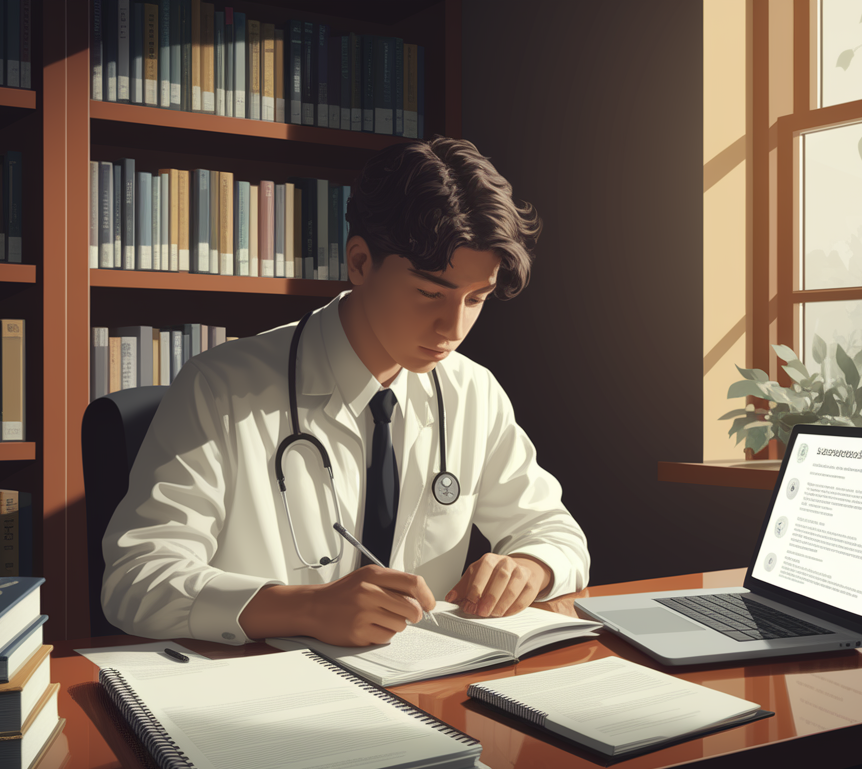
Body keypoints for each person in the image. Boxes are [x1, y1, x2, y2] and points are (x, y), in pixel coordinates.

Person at [101, 136, 590, 649]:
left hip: (423, 683)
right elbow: (137, 580)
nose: (454, 326)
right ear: (359, 263)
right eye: (430, 293)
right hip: (264, 692)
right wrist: (306, 607)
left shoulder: (472, 391)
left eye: (477, 299)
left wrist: (530, 566)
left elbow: (557, 533)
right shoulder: (220, 388)